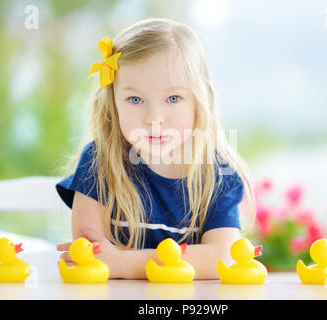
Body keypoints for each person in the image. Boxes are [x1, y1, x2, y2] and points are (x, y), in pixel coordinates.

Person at [55, 18, 256, 279]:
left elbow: (223, 257)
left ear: (199, 101)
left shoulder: (217, 175)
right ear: (113, 104)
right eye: (135, 99)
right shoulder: (99, 162)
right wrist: (174, 262)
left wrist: (123, 263)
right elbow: (91, 255)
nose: (154, 118)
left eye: (173, 98)